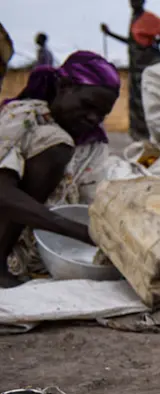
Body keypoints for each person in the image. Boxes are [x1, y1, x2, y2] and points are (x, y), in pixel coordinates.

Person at [0, 51, 120, 287]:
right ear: (64, 87)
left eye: (102, 114)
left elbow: (90, 202)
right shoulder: (23, 116)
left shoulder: (93, 144)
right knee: (57, 144)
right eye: (88, 105)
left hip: (39, 247)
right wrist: (79, 231)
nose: (93, 118)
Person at [101, 0, 160, 141]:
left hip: (147, 66)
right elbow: (131, 42)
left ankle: (152, 135)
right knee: (136, 102)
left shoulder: (147, 18)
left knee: (147, 101)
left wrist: (156, 42)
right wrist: (109, 34)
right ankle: (139, 137)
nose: (134, 3)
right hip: (136, 66)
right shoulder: (134, 19)